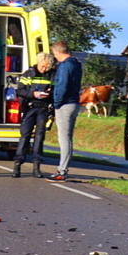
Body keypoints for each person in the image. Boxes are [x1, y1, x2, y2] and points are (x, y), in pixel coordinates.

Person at [12, 52, 55, 178]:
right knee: (24, 136)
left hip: (43, 108)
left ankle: (36, 167)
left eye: (47, 67)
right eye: (43, 66)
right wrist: (33, 94)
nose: (45, 69)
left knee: (39, 137)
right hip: (30, 107)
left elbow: (56, 91)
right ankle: (17, 166)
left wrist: (49, 94)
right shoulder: (28, 74)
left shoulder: (52, 74)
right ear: (38, 63)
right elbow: (20, 90)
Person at [48, 41, 82, 182]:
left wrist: (56, 103)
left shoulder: (65, 66)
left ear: (59, 52)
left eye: (54, 53)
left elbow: (62, 85)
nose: (54, 56)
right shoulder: (76, 63)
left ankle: (62, 171)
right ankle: (63, 168)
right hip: (74, 102)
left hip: (65, 104)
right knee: (67, 138)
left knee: (64, 139)